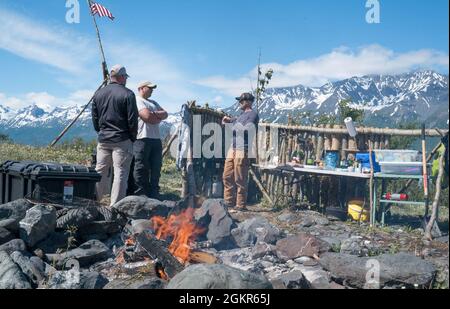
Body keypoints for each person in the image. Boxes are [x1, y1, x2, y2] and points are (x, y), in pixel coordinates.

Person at [92, 65, 138, 206]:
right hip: (122, 139)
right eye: (125, 77)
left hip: (104, 139)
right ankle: (115, 208)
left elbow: (95, 118)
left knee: (100, 171)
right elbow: (132, 120)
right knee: (120, 174)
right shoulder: (128, 94)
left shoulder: (98, 93)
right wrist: (132, 137)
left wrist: (101, 132)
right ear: (122, 77)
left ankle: (93, 203)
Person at [222, 93, 260, 211]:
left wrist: (231, 126)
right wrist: (227, 121)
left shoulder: (253, 115)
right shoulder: (241, 116)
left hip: (242, 149)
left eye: (241, 101)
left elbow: (246, 129)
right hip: (232, 148)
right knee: (227, 176)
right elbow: (235, 122)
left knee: (240, 178)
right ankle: (228, 202)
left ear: (247, 102)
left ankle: (240, 205)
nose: (239, 103)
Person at [133, 81, 168, 199]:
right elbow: (147, 117)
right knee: (141, 167)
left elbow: (166, 114)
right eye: (150, 88)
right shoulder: (137, 100)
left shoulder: (153, 102)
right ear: (142, 88)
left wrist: (153, 114)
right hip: (142, 138)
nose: (152, 90)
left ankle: (154, 193)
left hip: (156, 139)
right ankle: (141, 193)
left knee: (156, 167)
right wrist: (156, 116)